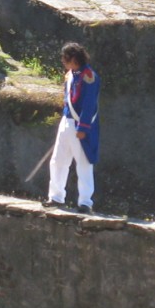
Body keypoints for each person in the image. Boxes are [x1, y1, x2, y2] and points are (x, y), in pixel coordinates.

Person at [44, 43, 101, 215]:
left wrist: (83, 127)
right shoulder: (71, 76)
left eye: (65, 58)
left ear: (73, 59)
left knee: (83, 164)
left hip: (80, 124)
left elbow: (89, 104)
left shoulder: (89, 76)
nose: (62, 61)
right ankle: (56, 197)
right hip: (66, 122)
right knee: (58, 160)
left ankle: (85, 202)